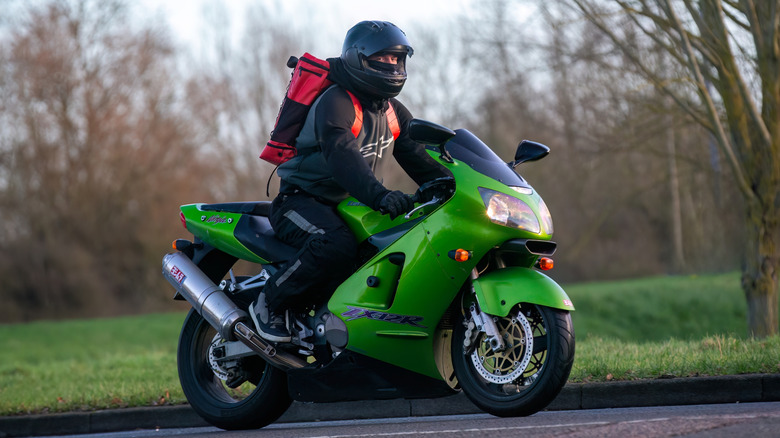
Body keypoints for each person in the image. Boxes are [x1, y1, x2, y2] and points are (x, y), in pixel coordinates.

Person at [250, 20, 450, 342]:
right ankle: (268, 303)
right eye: (382, 58)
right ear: (359, 59)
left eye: (397, 59)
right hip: (301, 200)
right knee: (335, 243)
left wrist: (452, 184)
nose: (392, 65)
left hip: (350, 204)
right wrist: (380, 195)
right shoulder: (337, 101)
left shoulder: (391, 111)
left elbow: (420, 158)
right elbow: (342, 156)